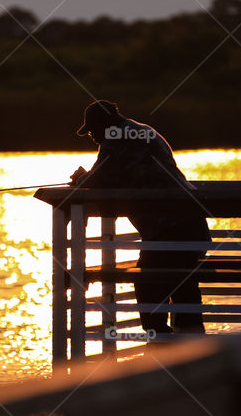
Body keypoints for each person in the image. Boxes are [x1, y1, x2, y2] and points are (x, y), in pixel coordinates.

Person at [69, 100, 210, 336]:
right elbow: (114, 176)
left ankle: (161, 342)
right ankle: (190, 343)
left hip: (169, 229)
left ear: (104, 125)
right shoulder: (140, 131)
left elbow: (99, 180)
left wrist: (81, 178)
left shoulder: (116, 140)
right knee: (183, 282)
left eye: (92, 130)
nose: (92, 137)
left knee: (148, 283)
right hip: (190, 224)